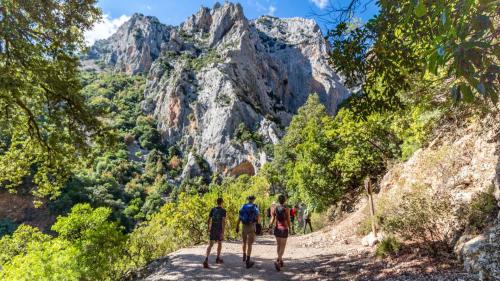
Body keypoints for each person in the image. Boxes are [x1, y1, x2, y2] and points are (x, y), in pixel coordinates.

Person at [236, 195, 260, 268]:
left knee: (244, 242)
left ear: (248, 199)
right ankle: (248, 260)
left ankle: (244, 254)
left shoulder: (243, 206)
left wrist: (237, 226)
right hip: (251, 226)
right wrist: (258, 225)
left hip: (244, 226)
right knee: (249, 244)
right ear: (253, 199)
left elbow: (239, 217)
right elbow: (258, 216)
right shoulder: (254, 207)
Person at [203, 197, 227, 268]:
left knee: (210, 245)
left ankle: (206, 259)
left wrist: (209, 228)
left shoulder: (212, 209)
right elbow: (223, 221)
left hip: (213, 229)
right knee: (220, 243)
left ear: (217, 202)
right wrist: (223, 231)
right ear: (222, 202)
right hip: (219, 230)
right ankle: (218, 258)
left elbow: (209, 219)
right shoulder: (223, 210)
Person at [269, 194, 291, 271]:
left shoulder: (275, 208)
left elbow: (272, 218)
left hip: (277, 228)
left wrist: (270, 226)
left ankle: (280, 261)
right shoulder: (286, 208)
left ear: (278, 200)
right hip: (284, 228)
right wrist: (290, 228)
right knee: (283, 246)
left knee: (279, 245)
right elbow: (288, 219)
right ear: (284, 200)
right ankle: (278, 261)